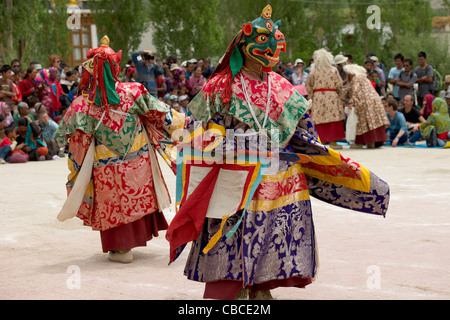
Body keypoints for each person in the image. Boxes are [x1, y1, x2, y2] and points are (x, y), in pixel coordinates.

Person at [165, 5, 390, 300]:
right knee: (232, 233)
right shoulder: (220, 86)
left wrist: (334, 163)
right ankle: (234, 287)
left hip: (281, 178)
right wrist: (221, 140)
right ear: (243, 46)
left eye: (274, 44)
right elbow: (197, 132)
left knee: (274, 236)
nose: (270, 50)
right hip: (235, 176)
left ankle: (260, 287)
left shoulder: (283, 87)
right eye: (261, 43)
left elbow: (305, 135)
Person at [54, 36, 186, 263]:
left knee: (113, 202)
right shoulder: (134, 91)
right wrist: (188, 124)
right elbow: (163, 115)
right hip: (138, 159)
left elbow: (63, 138)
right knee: (137, 195)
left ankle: (121, 248)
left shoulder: (81, 105)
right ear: (115, 68)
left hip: (105, 166)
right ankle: (135, 239)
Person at [306, 48, 347, 149]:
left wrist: (311, 98)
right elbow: (339, 85)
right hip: (332, 96)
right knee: (333, 118)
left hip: (318, 97)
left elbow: (308, 86)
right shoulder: (334, 70)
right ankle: (333, 142)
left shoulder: (313, 72)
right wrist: (341, 98)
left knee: (319, 119)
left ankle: (321, 142)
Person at [344, 64, 389, 148]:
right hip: (375, 100)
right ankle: (371, 143)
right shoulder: (365, 79)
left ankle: (359, 143)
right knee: (373, 121)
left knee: (364, 121)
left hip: (365, 102)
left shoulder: (355, 79)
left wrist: (351, 102)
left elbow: (356, 91)